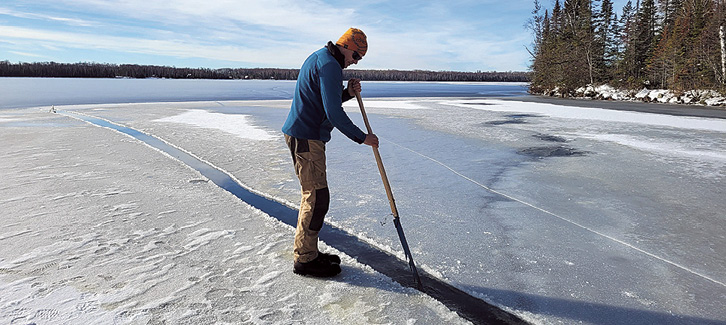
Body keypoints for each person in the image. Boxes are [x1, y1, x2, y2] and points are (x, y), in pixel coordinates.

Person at [282, 27, 379, 277]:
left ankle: (309, 252)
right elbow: (334, 114)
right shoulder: (329, 65)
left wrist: (347, 93)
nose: (353, 62)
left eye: (358, 59)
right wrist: (362, 137)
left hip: (306, 135)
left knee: (316, 197)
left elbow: (326, 102)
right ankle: (304, 259)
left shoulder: (323, 59)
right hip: (306, 137)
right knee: (316, 198)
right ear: (347, 46)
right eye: (356, 56)